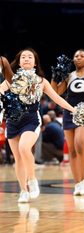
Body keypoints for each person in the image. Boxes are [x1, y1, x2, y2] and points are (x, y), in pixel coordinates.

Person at [0, 48, 76, 203]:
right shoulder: (11, 80)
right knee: (18, 160)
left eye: (30, 57)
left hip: (31, 120)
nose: (26, 59)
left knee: (24, 147)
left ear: (35, 63)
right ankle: (23, 191)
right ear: (19, 62)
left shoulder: (41, 81)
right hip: (12, 122)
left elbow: (56, 98)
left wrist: (73, 109)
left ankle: (32, 179)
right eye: (23, 57)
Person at [51, 49, 84, 196]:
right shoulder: (69, 76)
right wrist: (55, 76)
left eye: (82, 56)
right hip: (69, 113)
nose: (78, 58)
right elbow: (56, 93)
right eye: (76, 56)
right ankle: (78, 183)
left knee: (80, 144)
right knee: (72, 150)